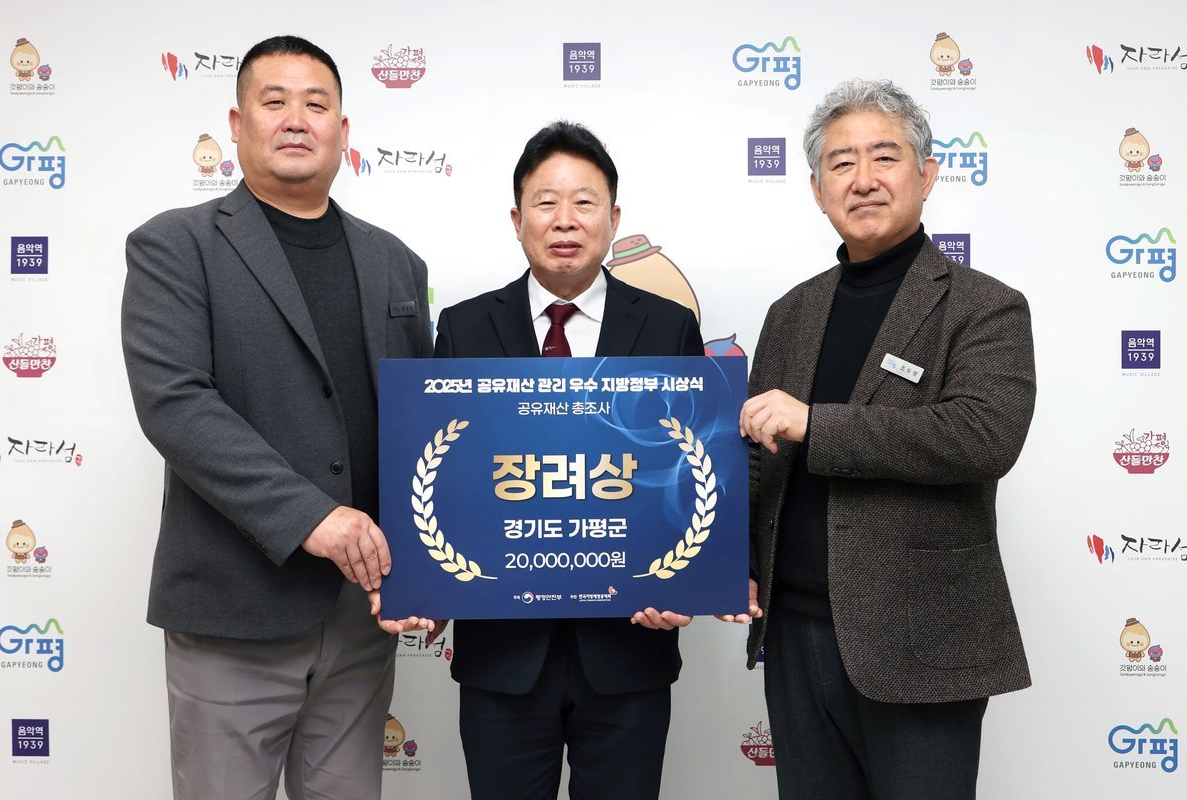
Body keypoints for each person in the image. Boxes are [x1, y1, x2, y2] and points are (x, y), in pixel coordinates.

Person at [120, 35, 433, 800]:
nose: (297, 118)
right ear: (237, 124)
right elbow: (176, 404)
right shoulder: (175, 246)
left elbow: (423, 426)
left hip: (362, 616)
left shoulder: (397, 262)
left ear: (343, 131)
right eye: (275, 101)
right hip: (236, 611)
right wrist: (312, 518)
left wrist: (433, 570)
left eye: (316, 104)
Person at [737, 79, 1036, 799]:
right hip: (794, 637)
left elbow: (982, 435)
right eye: (841, 163)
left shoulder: (985, 306)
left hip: (922, 642)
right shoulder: (790, 312)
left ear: (926, 175)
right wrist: (730, 563)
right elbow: (758, 461)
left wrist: (817, 422)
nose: (863, 179)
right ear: (817, 190)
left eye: (884, 157)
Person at [418, 121, 702, 799]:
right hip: (502, 658)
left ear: (614, 219)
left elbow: (690, 474)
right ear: (517, 219)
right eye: (545, 202)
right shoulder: (464, 327)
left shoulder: (668, 327)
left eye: (584, 202)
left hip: (630, 651)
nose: (565, 220)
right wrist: (429, 581)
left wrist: (690, 581)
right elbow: (442, 475)